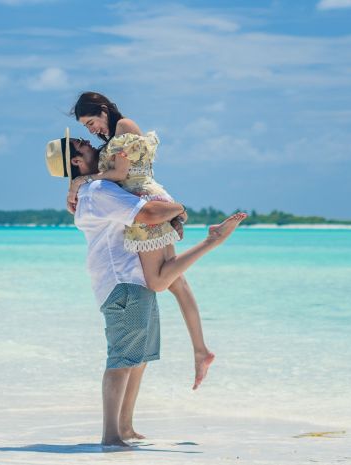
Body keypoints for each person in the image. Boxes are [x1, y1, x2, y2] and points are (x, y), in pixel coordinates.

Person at [45, 129, 246, 447]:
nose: (92, 144)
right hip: (123, 283)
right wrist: (179, 209)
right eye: (83, 144)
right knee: (121, 361)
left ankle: (125, 428)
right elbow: (149, 212)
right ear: (76, 160)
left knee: (136, 360)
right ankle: (111, 436)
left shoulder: (92, 188)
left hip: (132, 281)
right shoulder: (98, 190)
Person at [67, 91, 218, 390]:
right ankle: (200, 350)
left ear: (103, 109)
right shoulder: (114, 135)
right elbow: (116, 173)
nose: (91, 130)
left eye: (91, 121)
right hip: (149, 199)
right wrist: (79, 181)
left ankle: (212, 241)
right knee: (176, 281)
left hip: (147, 202)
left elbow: (121, 172)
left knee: (159, 281)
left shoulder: (124, 126)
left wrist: (81, 179)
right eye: (85, 127)